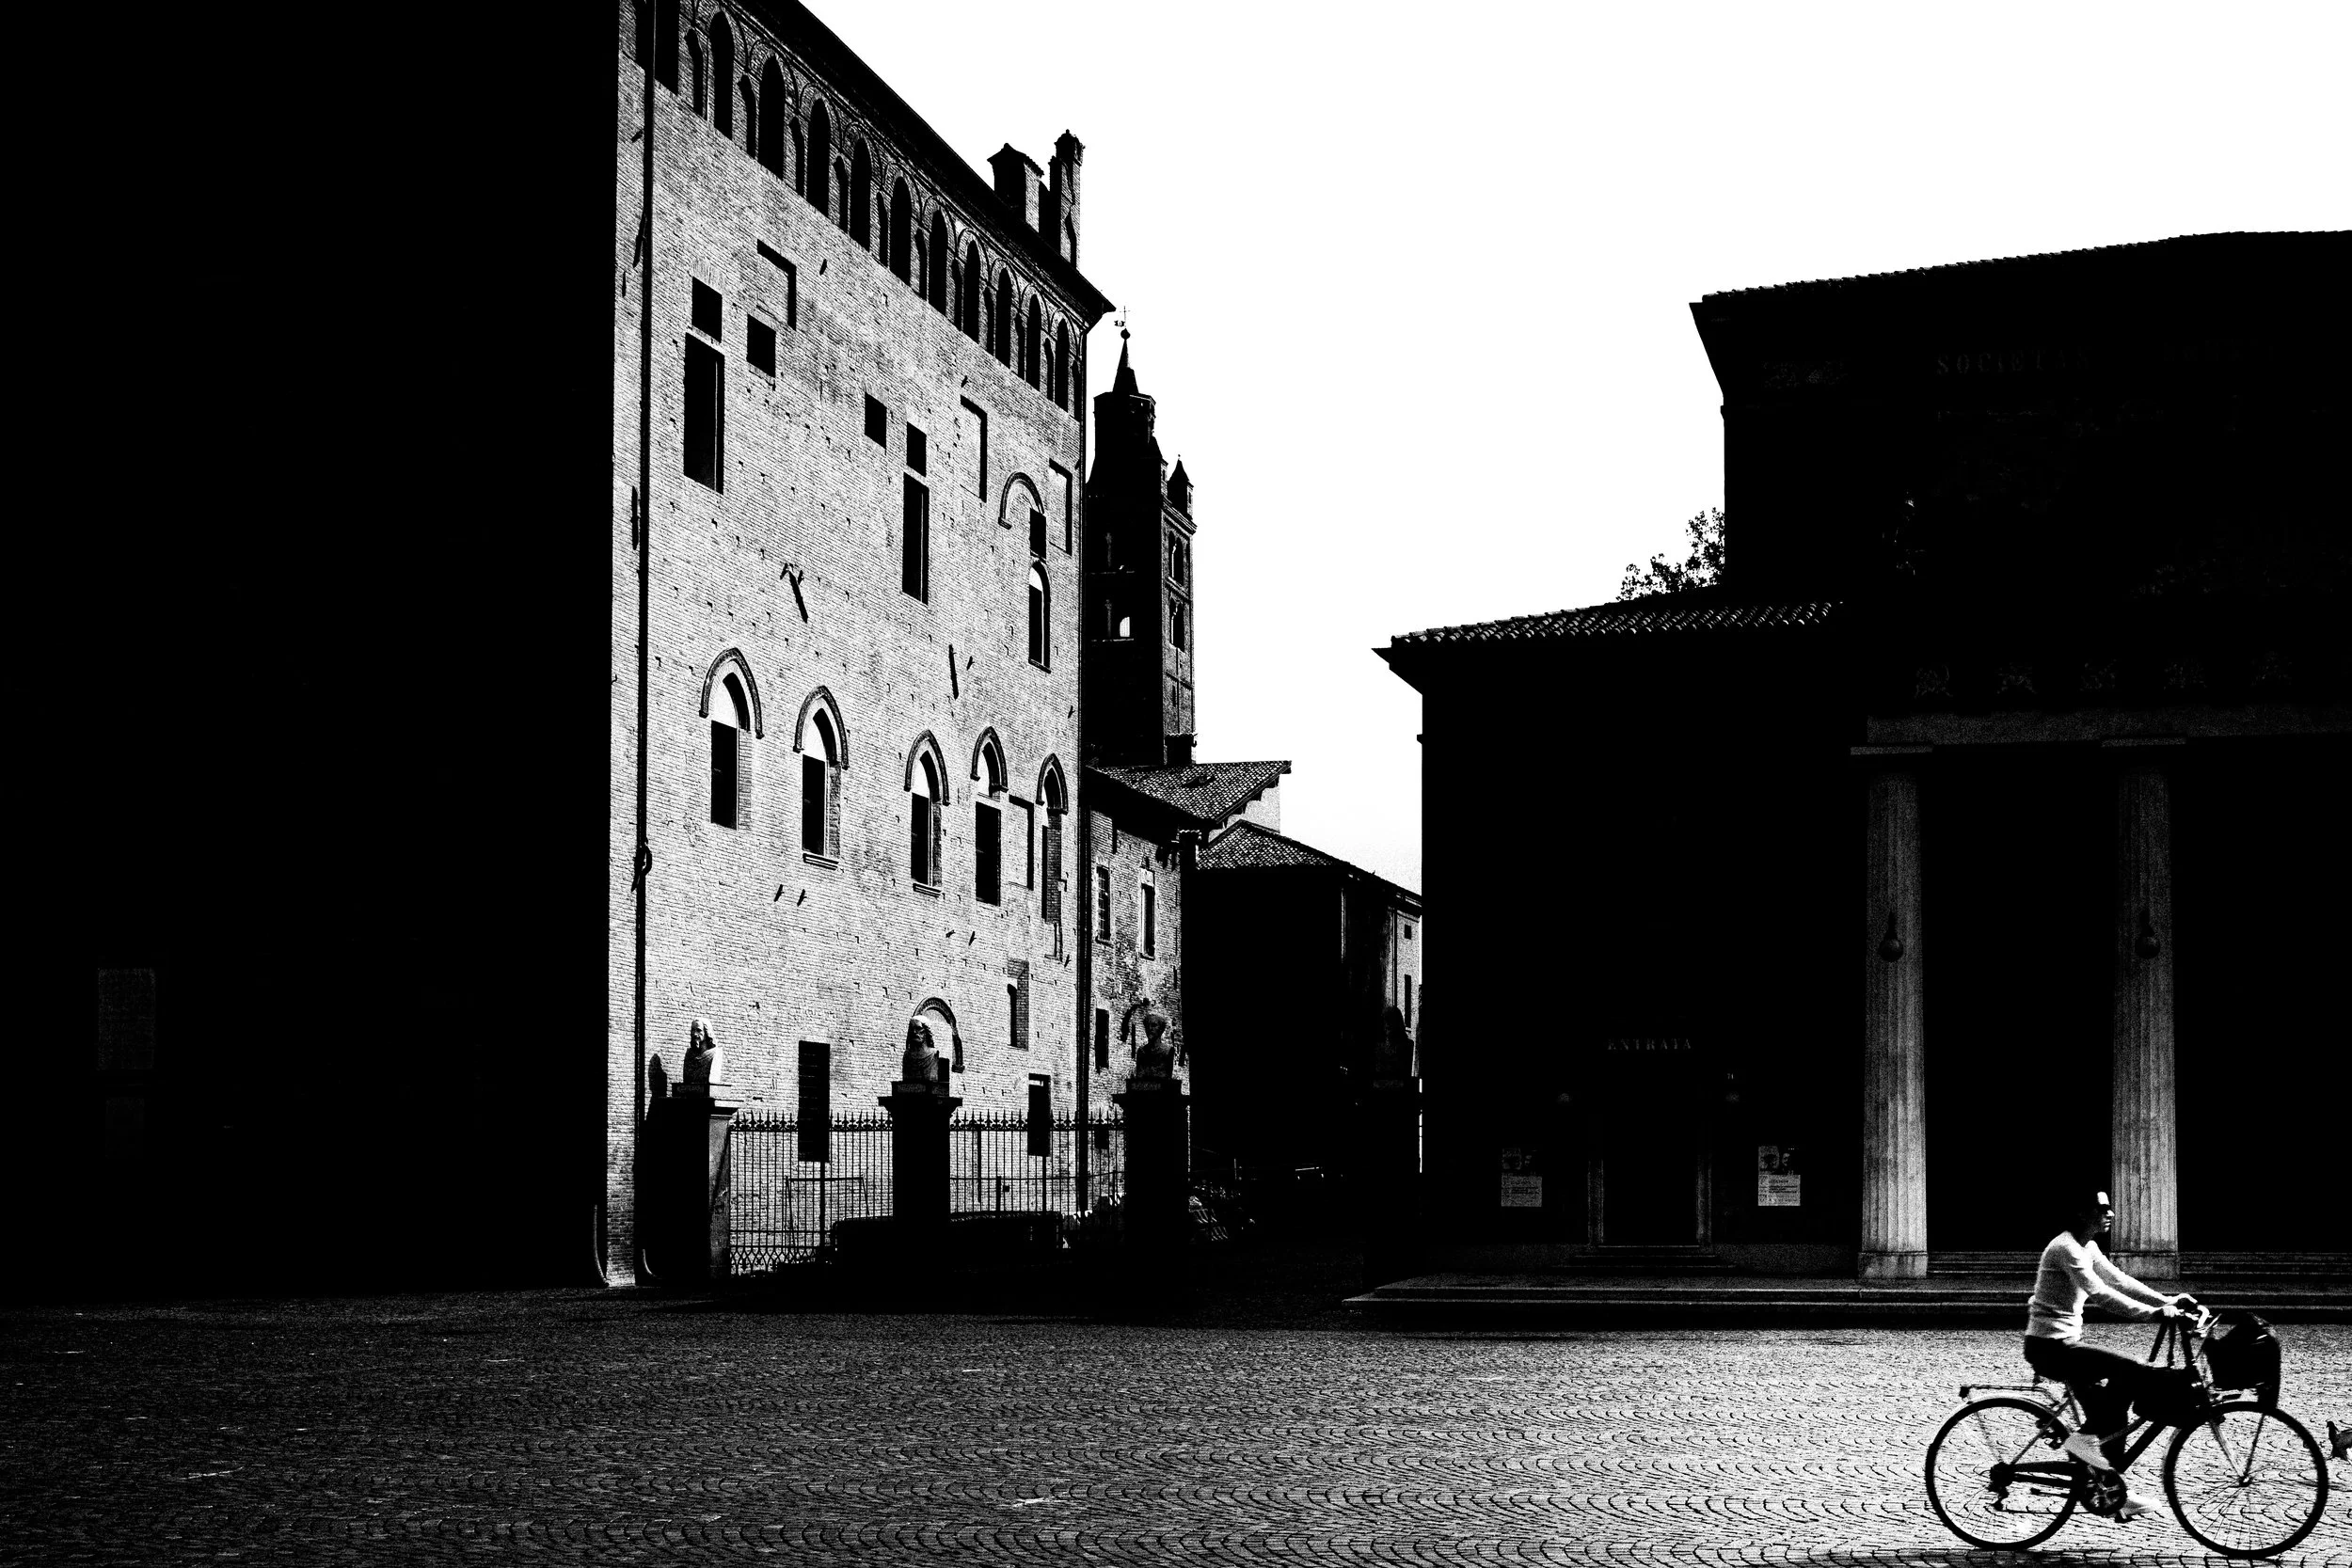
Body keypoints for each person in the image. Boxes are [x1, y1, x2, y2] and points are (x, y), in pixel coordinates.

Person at [2022, 1191, 2195, 1521]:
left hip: (2064, 1345)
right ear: (2080, 1213)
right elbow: (2100, 1293)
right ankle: (2083, 1442)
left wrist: (2166, 1301)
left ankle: (2115, 1492)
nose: (2110, 1213)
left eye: (2109, 1207)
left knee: (2115, 1416)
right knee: (2130, 1369)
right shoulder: (2065, 1248)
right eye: (2101, 1208)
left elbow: (2118, 1279)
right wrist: (2154, 1314)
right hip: (2051, 1348)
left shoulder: (2087, 1246)